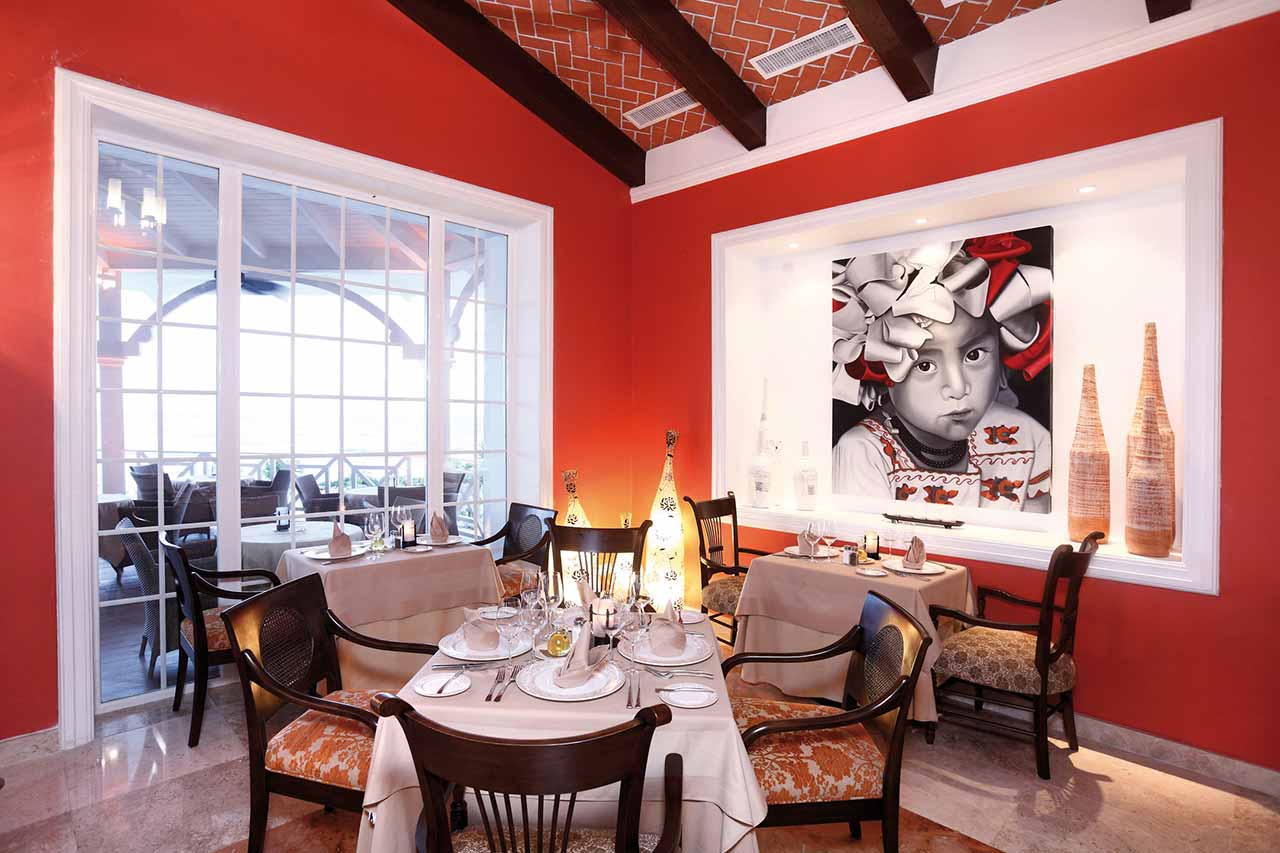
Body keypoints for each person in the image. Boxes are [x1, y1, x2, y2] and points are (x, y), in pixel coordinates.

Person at [831, 233, 1052, 513]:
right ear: (882, 370)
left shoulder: (1028, 437)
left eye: (974, 355)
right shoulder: (863, 452)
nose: (958, 388)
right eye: (925, 365)